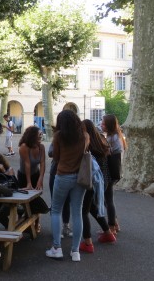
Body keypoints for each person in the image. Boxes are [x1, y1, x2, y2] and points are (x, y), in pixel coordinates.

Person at [46, 110, 89, 262]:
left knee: (56, 210)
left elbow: (55, 156)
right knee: (77, 212)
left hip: (63, 175)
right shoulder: (85, 136)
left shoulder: (59, 136)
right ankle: (75, 251)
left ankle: (57, 248)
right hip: (80, 178)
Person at [79, 119, 117, 253]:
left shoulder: (88, 145)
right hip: (103, 181)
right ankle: (108, 233)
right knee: (93, 208)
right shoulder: (102, 141)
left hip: (90, 182)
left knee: (83, 210)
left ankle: (88, 243)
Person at [101, 114, 126, 235]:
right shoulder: (117, 136)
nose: (101, 125)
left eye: (104, 123)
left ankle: (111, 227)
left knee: (108, 200)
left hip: (109, 173)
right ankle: (114, 223)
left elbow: (107, 154)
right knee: (107, 199)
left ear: (109, 125)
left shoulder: (112, 139)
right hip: (114, 172)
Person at [18, 126, 46, 233]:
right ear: (32, 136)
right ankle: (25, 221)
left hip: (36, 174)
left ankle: (37, 223)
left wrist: (40, 179)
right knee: (25, 201)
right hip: (23, 175)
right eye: (39, 134)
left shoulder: (41, 147)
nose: (40, 136)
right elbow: (27, 164)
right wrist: (29, 182)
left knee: (36, 200)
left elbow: (43, 163)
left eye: (41, 134)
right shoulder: (24, 147)